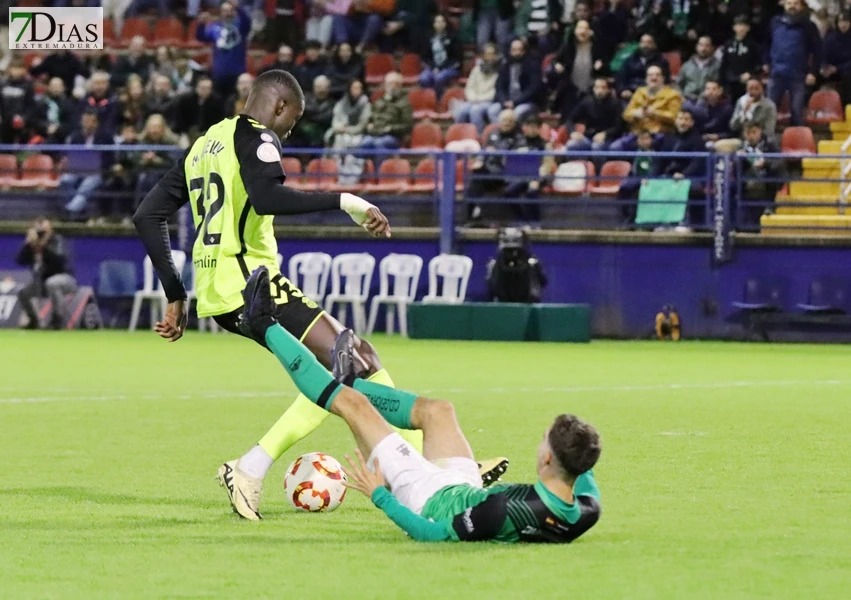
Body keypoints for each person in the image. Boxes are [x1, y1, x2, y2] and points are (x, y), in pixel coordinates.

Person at [133, 71, 508, 520]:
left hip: (221, 286)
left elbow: (147, 215)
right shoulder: (260, 139)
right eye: (293, 118)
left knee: (358, 358)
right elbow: (268, 196)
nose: (290, 130)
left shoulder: (204, 144)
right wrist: (346, 200)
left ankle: (427, 469)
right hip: (252, 284)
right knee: (345, 367)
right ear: (279, 107)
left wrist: (175, 293)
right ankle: (250, 468)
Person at [237, 270, 599, 543]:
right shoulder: (584, 508)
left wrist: (381, 494)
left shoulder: (501, 511)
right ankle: (351, 378)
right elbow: (583, 465)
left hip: (426, 496)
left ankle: (263, 324)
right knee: (439, 410)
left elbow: (433, 535)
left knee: (354, 407)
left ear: (548, 459)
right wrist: (576, 440)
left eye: (543, 442)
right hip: (464, 488)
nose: (538, 446)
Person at [764, 0, 822, 126]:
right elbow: (767, 43)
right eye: (789, 3)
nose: (792, 6)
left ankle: (798, 141)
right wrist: (766, 62)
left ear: (801, 6)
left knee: (797, 111)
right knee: (769, 110)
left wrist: (813, 72)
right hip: (776, 73)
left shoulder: (809, 26)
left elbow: (817, 51)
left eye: (795, 3)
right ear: (783, 5)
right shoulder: (775, 22)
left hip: (798, 74)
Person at [16, 218, 77, 330]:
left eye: (44, 229)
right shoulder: (33, 245)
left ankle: (57, 320)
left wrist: (44, 246)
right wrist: (28, 244)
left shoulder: (57, 240)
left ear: (50, 229)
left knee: (52, 283)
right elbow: (19, 261)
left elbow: (59, 261)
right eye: (38, 230)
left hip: (65, 279)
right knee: (23, 292)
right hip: (43, 282)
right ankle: (34, 320)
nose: (41, 233)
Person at [468, 108, 521, 221]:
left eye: (509, 120)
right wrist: (480, 160)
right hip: (489, 171)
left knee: (477, 179)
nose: (506, 123)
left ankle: (476, 212)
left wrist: (497, 153)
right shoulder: (492, 134)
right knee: (476, 176)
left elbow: (516, 159)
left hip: (506, 174)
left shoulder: (519, 138)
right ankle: (471, 216)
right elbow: (484, 151)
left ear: (515, 123)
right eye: (504, 120)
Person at [613, 65, 682, 151]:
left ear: (663, 78)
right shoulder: (639, 92)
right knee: (615, 147)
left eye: (657, 75)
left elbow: (674, 117)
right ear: (646, 78)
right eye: (650, 75)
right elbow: (626, 114)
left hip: (660, 134)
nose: (654, 78)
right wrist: (635, 113)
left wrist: (655, 113)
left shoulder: (672, 95)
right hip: (638, 133)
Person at [60, 111, 113, 220]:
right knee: (65, 180)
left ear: (96, 123)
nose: (87, 124)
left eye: (90, 121)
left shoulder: (105, 137)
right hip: (77, 169)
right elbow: (67, 153)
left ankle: (70, 210)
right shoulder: (75, 136)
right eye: (85, 121)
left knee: (86, 185)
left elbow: (109, 158)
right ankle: (78, 209)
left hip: (97, 171)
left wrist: (98, 164)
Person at [548, 19, 605, 118]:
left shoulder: (598, 46)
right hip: (571, 88)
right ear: (575, 31)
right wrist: (557, 65)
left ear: (591, 32)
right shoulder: (569, 46)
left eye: (586, 28)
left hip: (590, 89)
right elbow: (555, 60)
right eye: (580, 28)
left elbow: (605, 63)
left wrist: (600, 64)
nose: (582, 31)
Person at [195, 0, 252, 97]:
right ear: (221, 12)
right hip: (219, 73)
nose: (228, 13)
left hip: (237, 72)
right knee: (219, 102)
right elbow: (201, 37)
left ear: (234, 11)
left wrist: (238, 7)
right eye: (225, 10)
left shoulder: (241, 26)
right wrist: (201, 23)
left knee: (236, 103)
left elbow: (247, 21)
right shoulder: (214, 27)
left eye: (230, 10)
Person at [358, 72, 413, 164]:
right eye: (390, 83)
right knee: (364, 143)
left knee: (379, 144)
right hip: (374, 133)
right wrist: (369, 124)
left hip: (392, 136)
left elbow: (407, 126)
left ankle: (379, 175)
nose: (393, 86)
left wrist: (391, 128)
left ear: (400, 86)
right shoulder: (378, 101)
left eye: (396, 83)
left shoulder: (404, 104)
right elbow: (371, 117)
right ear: (385, 84)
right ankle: (361, 173)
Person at [737, 120, 782, 227]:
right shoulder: (742, 146)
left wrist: (765, 163)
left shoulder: (770, 143)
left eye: (754, 132)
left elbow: (779, 162)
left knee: (772, 178)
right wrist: (738, 159)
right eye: (748, 133)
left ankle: (769, 207)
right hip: (748, 176)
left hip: (767, 175)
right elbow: (737, 167)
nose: (751, 136)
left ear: (760, 132)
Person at [493, 39, 544, 125]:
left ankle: (515, 134)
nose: (517, 53)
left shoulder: (533, 65)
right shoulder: (505, 66)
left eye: (520, 50)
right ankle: (500, 133)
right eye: (514, 50)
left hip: (526, 102)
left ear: (524, 51)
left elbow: (533, 88)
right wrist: (504, 101)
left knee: (517, 113)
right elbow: (499, 86)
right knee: (493, 110)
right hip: (506, 101)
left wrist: (515, 102)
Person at [453, 43, 501, 134]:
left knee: (475, 111)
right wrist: (473, 98)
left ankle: (479, 137)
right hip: (474, 100)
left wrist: (479, 100)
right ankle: (458, 134)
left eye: (492, 54)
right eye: (487, 54)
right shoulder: (476, 69)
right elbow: (469, 87)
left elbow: (496, 91)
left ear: (496, 55)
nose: (489, 57)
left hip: (490, 101)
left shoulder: (500, 70)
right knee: (461, 110)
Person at [565, 77, 623, 152]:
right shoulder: (587, 102)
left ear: (608, 90)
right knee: (571, 144)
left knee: (596, 147)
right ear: (593, 89)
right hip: (589, 137)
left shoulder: (615, 104)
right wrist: (573, 132)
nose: (600, 90)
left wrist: (605, 134)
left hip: (608, 138)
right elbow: (570, 120)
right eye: (597, 87)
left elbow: (619, 127)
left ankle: (599, 164)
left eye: (603, 88)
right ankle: (579, 164)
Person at [719, 14, 762, 103]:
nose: (741, 28)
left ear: (748, 28)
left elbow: (758, 64)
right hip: (730, 83)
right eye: (739, 25)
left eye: (744, 26)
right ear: (734, 28)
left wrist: (750, 73)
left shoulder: (753, 45)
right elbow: (724, 64)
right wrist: (721, 83)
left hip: (746, 83)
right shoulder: (728, 44)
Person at [616, 34, 670, 100]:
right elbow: (621, 77)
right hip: (631, 92)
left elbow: (666, 80)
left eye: (649, 42)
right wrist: (623, 90)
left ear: (654, 45)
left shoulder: (661, 61)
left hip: (653, 93)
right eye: (643, 42)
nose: (645, 45)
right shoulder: (630, 60)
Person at [418, 14, 461, 97]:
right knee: (424, 78)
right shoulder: (428, 37)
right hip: (432, 67)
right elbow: (424, 57)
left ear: (446, 23)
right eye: (437, 22)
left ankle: (438, 99)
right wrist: (433, 67)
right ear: (433, 24)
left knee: (439, 78)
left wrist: (441, 68)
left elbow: (457, 58)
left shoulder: (453, 37)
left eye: (442, 21)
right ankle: (428, 99)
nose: (440, 24)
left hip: (449, 67)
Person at [290, 75, 335, 148]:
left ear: (328, 89)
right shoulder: (305, 100)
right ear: (313, 87)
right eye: (318, 87)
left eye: (323, 87)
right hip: (303, 137)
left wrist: (310, 116)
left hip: (323, 133)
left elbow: (326, 119)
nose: (321, 90)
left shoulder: (332, 103)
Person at [327, 79, 372, 150]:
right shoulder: (341, 103)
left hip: (358, 134)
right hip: (341, 132)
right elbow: (336, 121)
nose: (357, 90)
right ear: (349, 89)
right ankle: (333, 160)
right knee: (333, 136)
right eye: (354, 88)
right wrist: (338, 128)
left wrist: (347, 130)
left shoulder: (366, 105)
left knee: (346, 140)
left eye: (359, 88)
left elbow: (361, 126)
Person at [677, 36, 720, 107]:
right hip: (687, 99)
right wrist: (681, 96)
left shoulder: (717, 66)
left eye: (707, 46)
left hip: (707, 102)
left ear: (711, 48)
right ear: (697, 47)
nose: (703, 49)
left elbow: (717, 86)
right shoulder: (687, 65)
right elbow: (679, 84)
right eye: (701, 45)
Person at [0, 59, 36, 144]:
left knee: (22, 148)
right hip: (5, 122)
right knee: (5, 148)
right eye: (14, 68)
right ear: (9, 69)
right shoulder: (2, 84)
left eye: (19, 68)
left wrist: (24, 118)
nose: (16, 71)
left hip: (22, 123)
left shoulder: (28, 85)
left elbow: (31, 105)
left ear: (23, 70)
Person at [33, 77, 76, 143]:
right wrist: (46, 126)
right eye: (53, 86)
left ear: (63, 88)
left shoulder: (69, 104)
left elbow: (71, 123)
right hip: (43, 135)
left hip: (62, 137)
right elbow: (35, 120)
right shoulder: (42, 103)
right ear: (49, 87)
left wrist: (57, 129)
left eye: (58, 86)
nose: (55, 89)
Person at [821, 11, 851, 105]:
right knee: (812, 76)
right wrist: (824, 66)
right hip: (831, 69)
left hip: (846, 70)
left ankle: (847, 107)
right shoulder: (831, 38)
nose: (843, 24)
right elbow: (823, 54)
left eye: (846, 21)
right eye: (841, 22)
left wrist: (837, 68)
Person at [79, 71, 119, 138]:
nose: (99, 87)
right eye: (96, 83)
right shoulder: (84, 101)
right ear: (91, 85)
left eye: (102, 83)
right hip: (85, 136)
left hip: (107, 137)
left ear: (108, 85)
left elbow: (111, 123)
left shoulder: (113, 101)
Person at [696, 79, 733, 145]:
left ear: (720, 91)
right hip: (702, 139)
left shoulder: (727, 108)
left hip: (721, 140)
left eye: (714, 89)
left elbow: (732, 132)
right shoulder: (699, 107)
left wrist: (718, 136)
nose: (710, 92)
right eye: (708, 89)